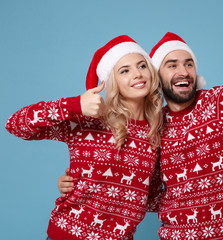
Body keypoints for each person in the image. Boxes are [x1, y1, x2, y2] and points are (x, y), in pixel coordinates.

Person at [59, 31, 223, 239]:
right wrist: (84, 182)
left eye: (189, 64)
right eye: (172, 65)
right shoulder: (153, 127)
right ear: (157, 78)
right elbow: (143, 191)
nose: (183, 71)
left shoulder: (222, 103)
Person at [6, 35, 163, 240]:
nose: (137, 74)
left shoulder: (157, 133)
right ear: (112, 80)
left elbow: (149, 199)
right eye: (124, 70)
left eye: (142, 66)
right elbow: (16, 125)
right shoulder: (90, 120)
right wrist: (74, 105)